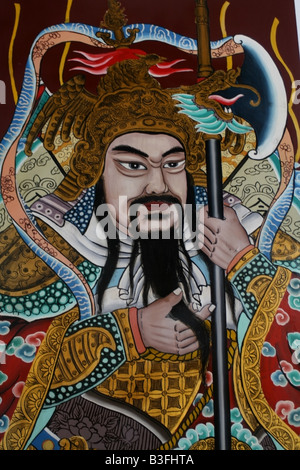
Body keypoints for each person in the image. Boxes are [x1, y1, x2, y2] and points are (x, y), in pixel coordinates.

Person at [0, 56, 299, 451]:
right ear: (96, 172)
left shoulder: (241, 232)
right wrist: (131, 330)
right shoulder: (57, 247)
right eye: (132, 165)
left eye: (173, 164)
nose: (158, 184)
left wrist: (244, 262)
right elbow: (8, 351)